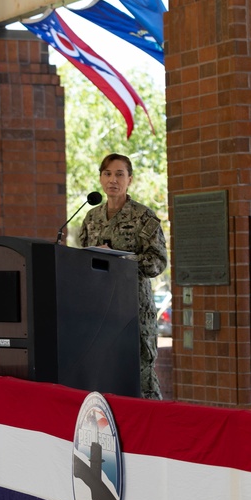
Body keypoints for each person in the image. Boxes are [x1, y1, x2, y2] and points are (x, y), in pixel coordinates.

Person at [79, 153, 168, 400]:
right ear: (100, 178)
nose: (113, 180)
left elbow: (158, 262)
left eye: (119, 174)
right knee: (103, 374)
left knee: (141, 379)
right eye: (107, 174)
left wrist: (123, 259)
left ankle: (153, 430)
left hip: (134, 308)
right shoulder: (91, 218)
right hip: (99, 310)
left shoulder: (143, 217)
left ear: (130, 179)